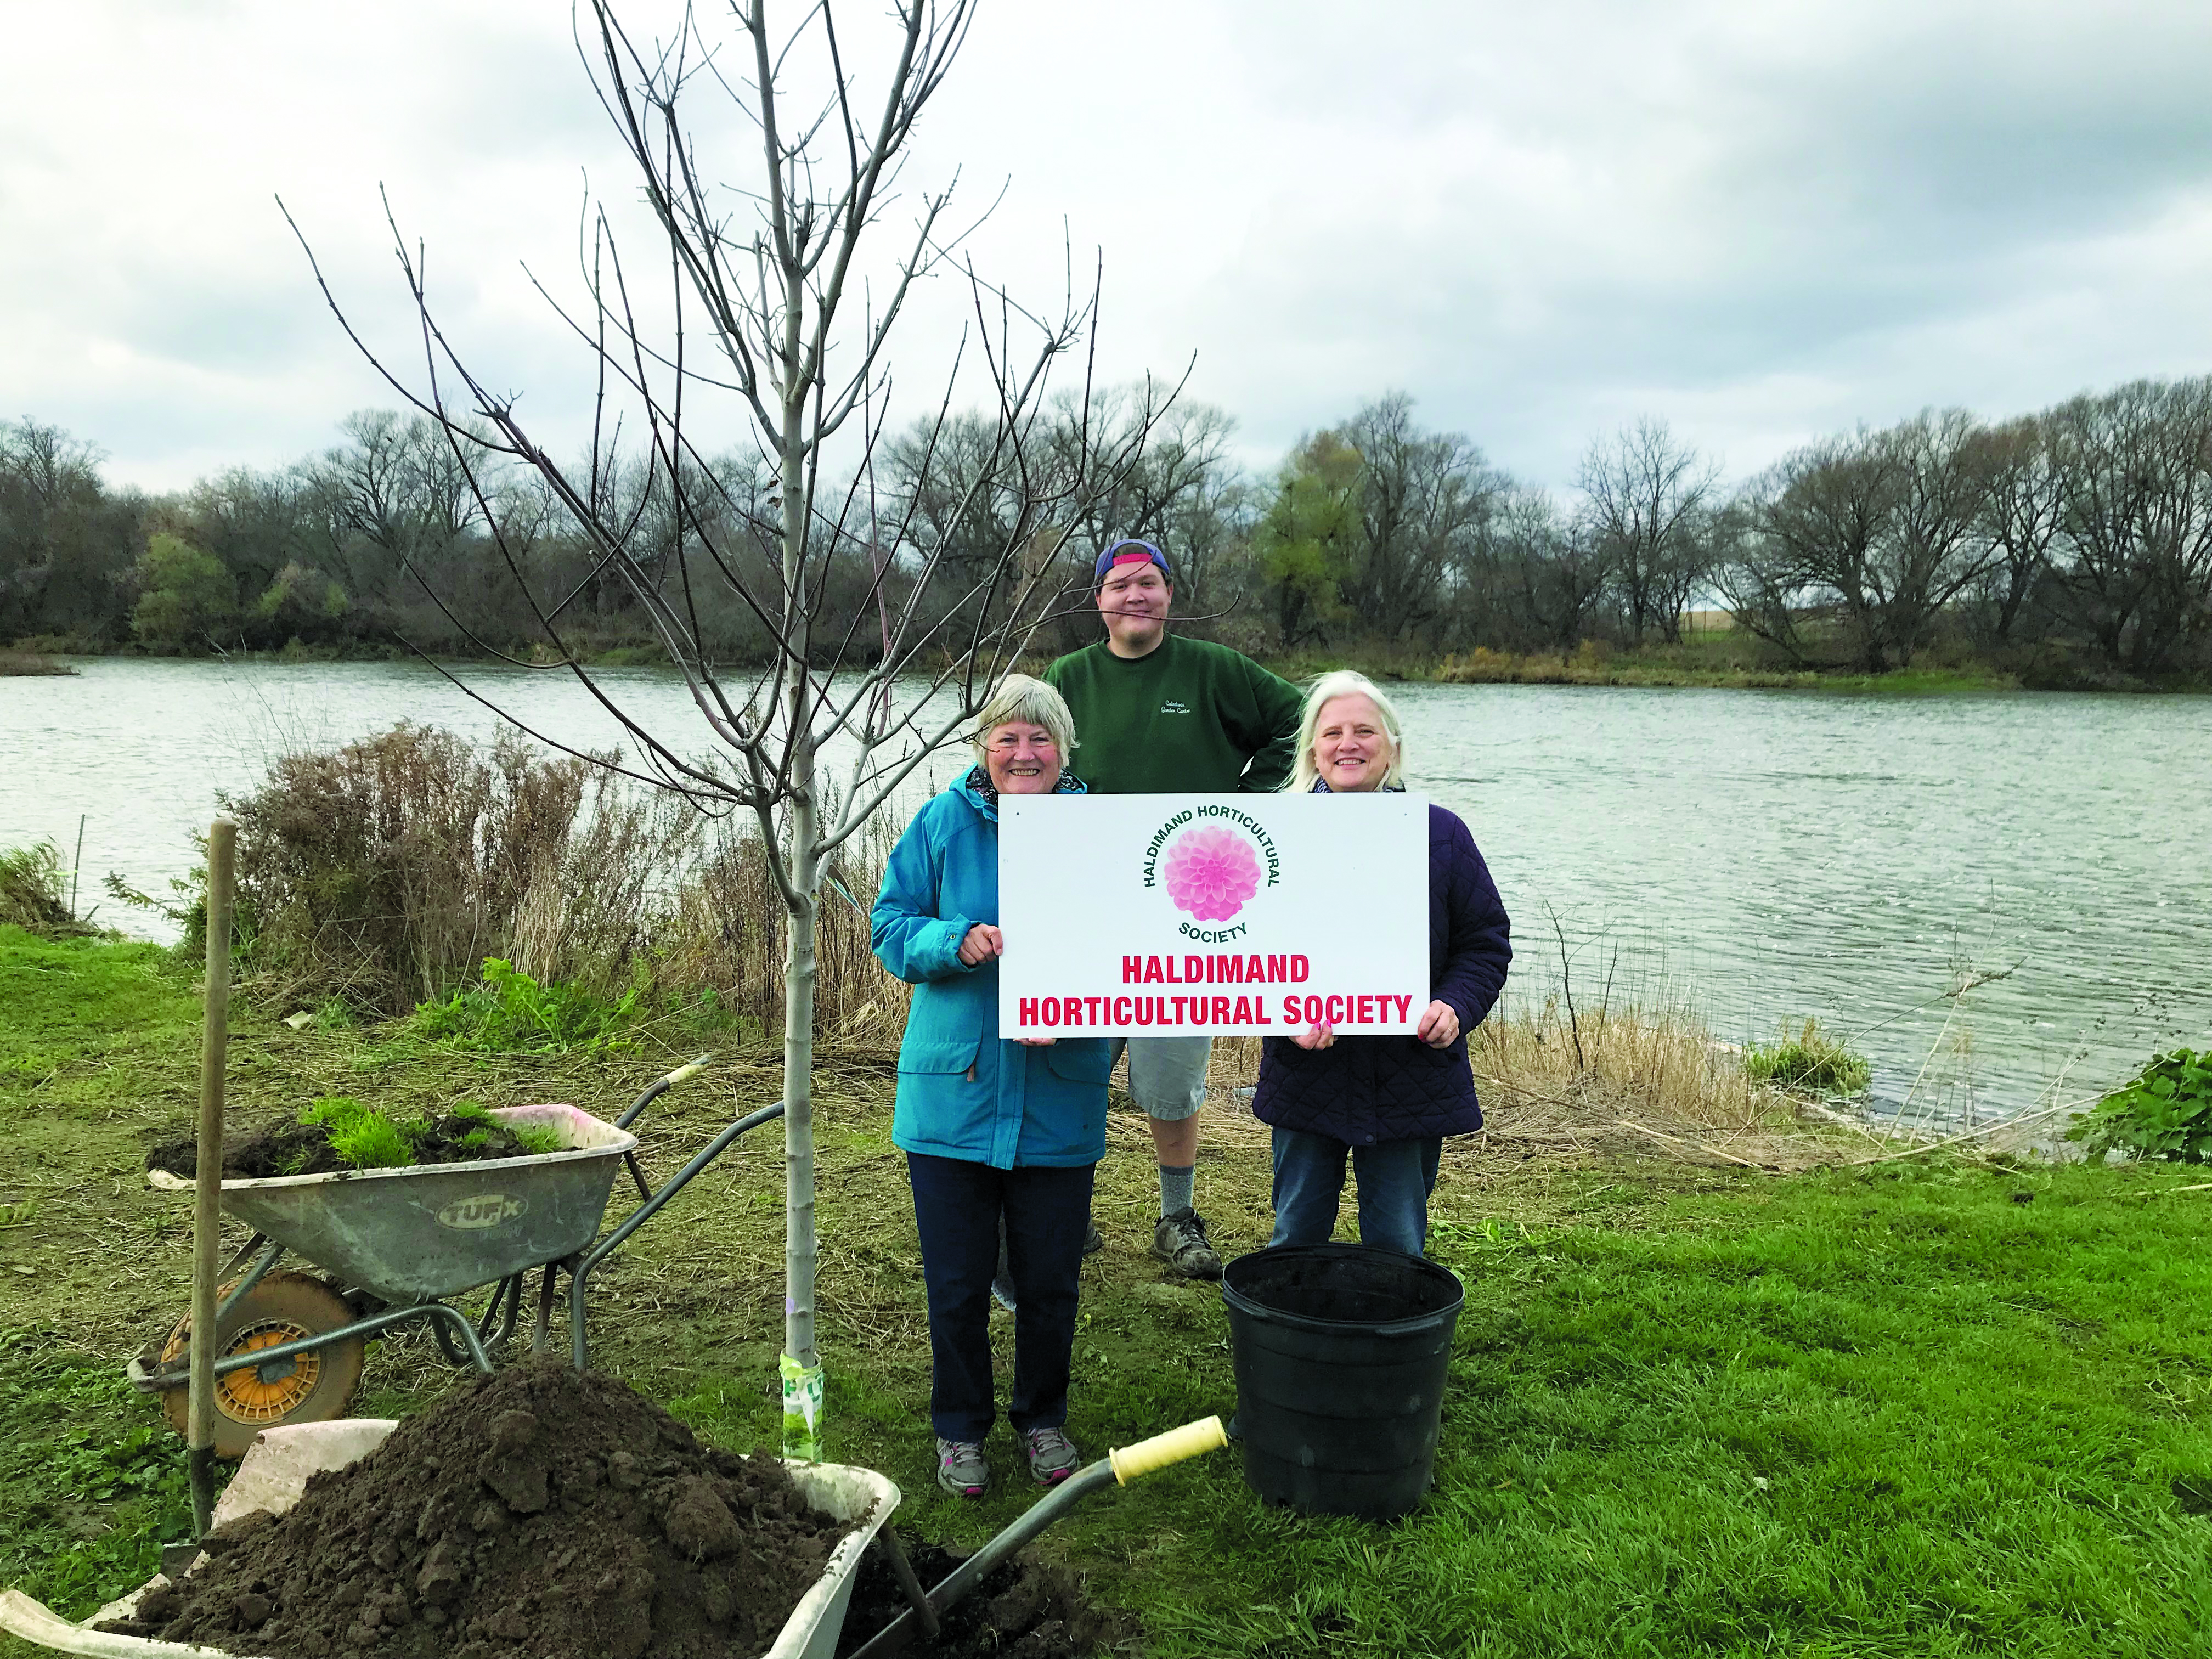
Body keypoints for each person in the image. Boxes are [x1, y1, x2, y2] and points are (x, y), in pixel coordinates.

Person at [870, 674, 1109, 1497]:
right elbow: (889, 928)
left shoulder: (1103, 834)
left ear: (1064, 749)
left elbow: (1135, 958)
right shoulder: (940, 822)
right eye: (1007, 738)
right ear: (983, 749)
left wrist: (1078, 1015)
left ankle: (1043, 1419)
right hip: (953, 1098)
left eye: (1040, 739)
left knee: (1050, 1281)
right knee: (959, 1284)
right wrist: (952, 941)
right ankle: (959, 1429)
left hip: (1059, 1095)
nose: (1024, 753)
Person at [1045, 537, 1305, 1279]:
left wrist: (1249, 804)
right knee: (1074, 1063)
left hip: (1189, 905)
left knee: (1171, 1071)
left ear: (1168, 596)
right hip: (1093, 902)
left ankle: (1175, 1216)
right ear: (1098, 601)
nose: (1136, 596)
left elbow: (1302, 720)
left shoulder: (1214, 670)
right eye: (1121, 585)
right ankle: (1069, 1210)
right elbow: (1027, 755)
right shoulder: (1069, 678)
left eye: (1149, 584)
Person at [1251, 670, 1512, 1257]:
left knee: (1398, 1244)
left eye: (1365, 730)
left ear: (1392, 746)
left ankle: (1393, 1344)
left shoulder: (1440, 834)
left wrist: (1456, 1005)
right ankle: (1290, 1340)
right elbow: (1246, 954)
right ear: (1312, 750)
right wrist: (1285, 1014)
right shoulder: (1275, 837)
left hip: (1410, 1074)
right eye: (1333, 732)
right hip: (1306, 1074)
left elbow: (1485, 942)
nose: (1349, 743)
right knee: (1296, 1236)